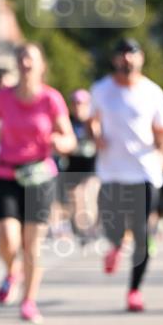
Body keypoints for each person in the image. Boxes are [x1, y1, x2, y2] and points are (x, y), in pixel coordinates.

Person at [0, 42, 76, 323]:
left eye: (31, 59)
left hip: (39, 175)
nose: (26, 64)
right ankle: (12, 271)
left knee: (32, 244)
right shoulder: (2, 97)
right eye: (22, 59)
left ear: (41, 66)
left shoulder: (51, 99)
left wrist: (60, 141)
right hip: (6, 173)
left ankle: (28, 300)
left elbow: (70, 139)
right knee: (7, 238)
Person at [89, 38, 163, 311]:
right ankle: (115, 245)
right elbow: (91, 120)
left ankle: (134, 290)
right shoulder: (101, 89)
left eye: (132, 54)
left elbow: (162, 129)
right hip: (111, 170)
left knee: (141, 231)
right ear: (115, 59)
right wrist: (95, 136)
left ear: (141, 58)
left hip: (144, 171)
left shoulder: (153, 92)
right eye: (122, 54)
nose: (127, 59)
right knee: (112, 224)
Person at [62, 88, 98, 244]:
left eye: (81, 103)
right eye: (75, 103)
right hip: (73, 164)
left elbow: (100, 140)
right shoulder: (68, 121)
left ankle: (90, 228)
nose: (78, 107)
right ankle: (81, 230)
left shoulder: (93, 120)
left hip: (91, 165)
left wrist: (93, 128)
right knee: (76, 198)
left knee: (89, 194)